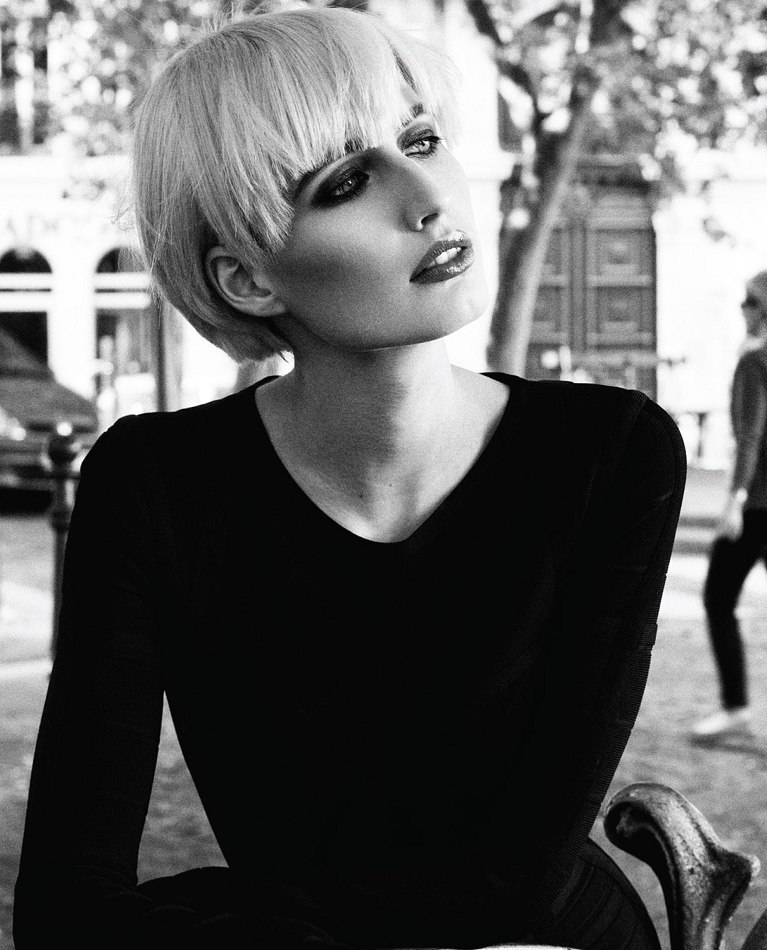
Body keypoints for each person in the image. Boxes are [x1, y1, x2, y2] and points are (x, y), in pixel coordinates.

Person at [13, 7, 686, 949]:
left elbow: (513, 883)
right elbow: (62, 906)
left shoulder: (608, 452)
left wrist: (210, 915)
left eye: (421, 139)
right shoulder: (153, 485)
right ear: (248, 279)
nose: (428, 196)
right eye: (346, 183)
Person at [692, 271, 767, 741]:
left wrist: (734, 501)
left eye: (749, 301)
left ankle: (735, 707)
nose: (742, 309)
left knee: (718, 599)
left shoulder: (755, 362)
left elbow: (749, 436)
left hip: (756, 505)